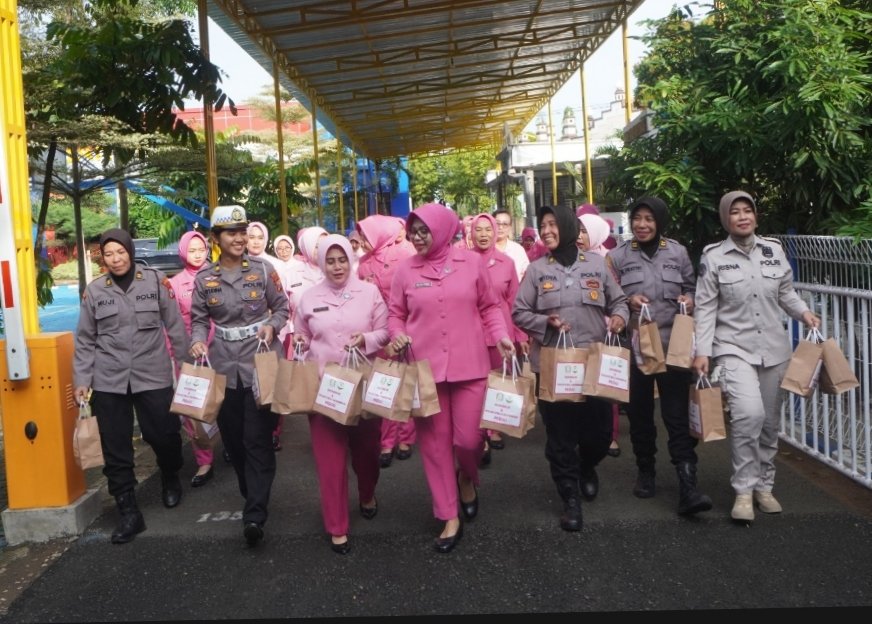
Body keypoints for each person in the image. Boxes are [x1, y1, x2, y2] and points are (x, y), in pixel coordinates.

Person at [387, 202, 515, 553]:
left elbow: (489, 306)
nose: (417, 237)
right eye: (413, 231)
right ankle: (448, 515)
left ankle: (467, 476)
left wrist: (501, 334)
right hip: (425, 370)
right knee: (434, 445)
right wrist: (396, 333)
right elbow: (395, 314)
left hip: (470, 365)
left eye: (424, 230)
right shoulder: (405, 270)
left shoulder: (471, 263)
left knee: (469, 442)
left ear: (443, 229)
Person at [692, 191, 819, 523]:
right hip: (732, 348)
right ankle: (744, 491)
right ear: (726, 219)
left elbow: (786, 292)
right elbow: (705, 307)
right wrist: (702, 351)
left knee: (769, 423)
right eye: (735, 212)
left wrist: (804, 313)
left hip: (774, 350)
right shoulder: (714, 257)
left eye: (748, 211)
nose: (743, 217)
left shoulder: (773, 251)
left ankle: (765, 485)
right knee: (748, 415)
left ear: (756, 217)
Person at [512, 205, 628, 532]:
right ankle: (570, 498)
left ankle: (587, 467)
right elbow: (519, 312)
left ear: (566, 226)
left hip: (592, 365)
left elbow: (617, 301)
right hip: (552, 365)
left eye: (552, 224)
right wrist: (544, 322)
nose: (546, 230)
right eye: (542, 225)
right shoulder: (536, 270)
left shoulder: (596, 264)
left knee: (601, 434)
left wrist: (620, 317)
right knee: (560, 436)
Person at [73, 228, 189, 544]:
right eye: (108, 254)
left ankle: (170, 473)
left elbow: (175, 326)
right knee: (115, 446)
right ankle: (128, 511)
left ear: (130, 251)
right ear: (103, 258)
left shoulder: (154, 282)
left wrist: (187, 367)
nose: (116, 258)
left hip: (152, 374)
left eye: (120, 252)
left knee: (163, 433)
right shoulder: (95, 292)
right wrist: (82, 380)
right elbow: (85, 339)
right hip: (108, 380)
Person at [188, 205, 289, 547]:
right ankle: (252, 495)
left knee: (257, 438)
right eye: (231, 232)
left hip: (261, 363)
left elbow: (283, 308)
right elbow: (200, 319)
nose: (239, 238)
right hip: (224, 367)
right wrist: (198, 341)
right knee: (233, 440)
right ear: (216, 239)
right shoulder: (205, 279)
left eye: (243, 231)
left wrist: (273, 329)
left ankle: (255, 514)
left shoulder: (263, 270)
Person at [606, 198, 713, 516]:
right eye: (637, 219)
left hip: (674, 349)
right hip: (638, 352)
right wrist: (628, 300)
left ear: (659, 222)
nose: (642, 225)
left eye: (649, 219)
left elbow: (693, 288)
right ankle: (646, 470)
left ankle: (688, 484)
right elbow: (611, 298)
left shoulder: (677, 252)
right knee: (639, 416)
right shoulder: (618, 256)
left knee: (677, 417)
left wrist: (689, 299)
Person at [293, 234, 389, 554]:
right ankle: (337, 525)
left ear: (351, 259)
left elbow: (386, 331)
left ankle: (366, 491)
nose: (337, 266)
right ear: (321, 263)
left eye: (342, 259)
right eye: (330, 260)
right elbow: (301, 333)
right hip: (324, 391)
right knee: (329, 462)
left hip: (362, 385)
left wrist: (367, 340)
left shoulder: (370, 292)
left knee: (367, 453)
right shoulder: (308, 297)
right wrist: (300, 343)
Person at [356, 214, 417, 468]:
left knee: (406, 381)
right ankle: (386, 440)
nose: (362, 241)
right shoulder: (363, 263)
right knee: (384, 383)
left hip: (406, 326)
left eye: (366, 236)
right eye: (361, 236)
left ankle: (406, 436)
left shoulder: (406, 254)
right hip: (378, 329)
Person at [469, 212, 527, 457]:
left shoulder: (506, 263)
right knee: (475, 386)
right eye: (478, 230)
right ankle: (479, 434)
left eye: (488, 230)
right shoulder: (464, 261)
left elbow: (515, 301)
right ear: (472, 234)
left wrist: (521, 336)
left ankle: (494, 428)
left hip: (500, 332)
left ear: (496, 233)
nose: (483, 234)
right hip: (471, 333)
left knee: (499, 381)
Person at [167, 230, 218, 487]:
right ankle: (204, 460)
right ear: (183, 252)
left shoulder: (218, 275)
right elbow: (171, 323)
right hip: (190, 354)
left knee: (226, 402)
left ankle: (232, 445)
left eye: (201, 249)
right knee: (193, 410)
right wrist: (174, 354)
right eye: (192, 250)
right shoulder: (175, 284)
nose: (198, 254)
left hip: (221, 350)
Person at [274, 225, 327, 450]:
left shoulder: (339, 268)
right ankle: (322, 440)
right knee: (311, 394)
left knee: (339, 391)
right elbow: (281, 307)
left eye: (325, 242)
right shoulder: (291, 274)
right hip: (304, 343)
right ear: (306, 247)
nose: (321, 248)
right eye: (316, 244)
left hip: (337, 343)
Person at [578, 213, 622, 460]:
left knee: (607, 388)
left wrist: (615, 319)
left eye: (584, 231)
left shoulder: (607, 260)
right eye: (577, 230)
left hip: (603, 334)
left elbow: (617, 297)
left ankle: (611, 435)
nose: (579, 237)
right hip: (577, 336)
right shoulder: (568, 259)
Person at [493, 208, 530, 282]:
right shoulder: (485, 250)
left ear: (510, 227)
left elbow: (527, 275)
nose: (500, 227)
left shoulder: (518, 250)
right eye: (497, 223)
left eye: (505, 224)